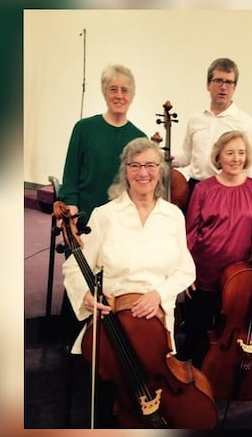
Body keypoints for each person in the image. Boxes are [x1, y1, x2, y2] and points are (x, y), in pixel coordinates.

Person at [61, 137, 195, 427]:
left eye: (150, 165)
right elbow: (74, 266)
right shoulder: (105, 215)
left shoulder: (172, 216)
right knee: (110, 399)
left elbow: (186, 269)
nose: (143, 172)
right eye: (135, 165)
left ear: (159, 170)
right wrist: (85, 294)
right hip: (113, 324)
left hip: (157, 328)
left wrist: (159, 294)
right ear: (126, 170)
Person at [179, 130, 252, 369]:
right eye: (230, 152)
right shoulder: (203, 189)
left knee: (227, 331)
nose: (236, 158)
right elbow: (190, 232)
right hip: (204, 272)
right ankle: (191, 380)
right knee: (196, 331)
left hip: (238, 277)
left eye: (241, 153)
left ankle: (220, 376)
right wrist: (187, 271)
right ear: (218, 156)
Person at [53, 63, 147, 228]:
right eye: (113, 89)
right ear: (104, 93)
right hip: (84, 217)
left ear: (132, 95)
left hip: (121, 222)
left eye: (124, 90)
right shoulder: (84, 128)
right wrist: (71, 204)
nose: (119, 95)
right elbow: (70, 175)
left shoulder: (139, 138)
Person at [173, 58, 252, 200]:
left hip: (226, 192)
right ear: (208, 84)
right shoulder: (195, 118)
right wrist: (161, 157)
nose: (223, 87)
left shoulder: (247, 123)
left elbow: (249, 170)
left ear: (234, 87)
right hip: (195, 189)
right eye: (218, 81)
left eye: (229, 82)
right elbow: (187, 157)